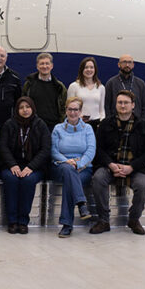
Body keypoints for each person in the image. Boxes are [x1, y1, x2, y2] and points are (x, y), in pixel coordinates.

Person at [90, 90, 145, 235]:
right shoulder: (106, 124)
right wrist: (110, 165)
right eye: (120, 102)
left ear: (133, 105)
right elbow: (98, 149)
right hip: (109, 166)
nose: (123, 105)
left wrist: (132, 167)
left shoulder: (144, 125)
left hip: (135, 168)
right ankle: (103, 220)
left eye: (126, 103)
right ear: (115, 104)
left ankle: (134, 219)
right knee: (98, 179)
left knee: (143, 186)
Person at [0, 96, 51, 234]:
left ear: (32, 108)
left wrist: (31, 167)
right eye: (21, 108)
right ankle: (12, 221)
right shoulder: (9, 124)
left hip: (34, 166)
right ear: (17, 110)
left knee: (28, 180)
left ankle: (23, 221)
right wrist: (12, 165)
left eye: (27, 107)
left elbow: (45, 149)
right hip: (11, 165)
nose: (25, 110)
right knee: (11, 179)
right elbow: (3, 147)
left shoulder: (40, 125)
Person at [50, 97, 96, 237]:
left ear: (80, 111)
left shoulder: (87, 128)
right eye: (70, 109)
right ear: (66, 111)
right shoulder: (58, 129)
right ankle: (81, 204)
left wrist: (79, 164)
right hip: (60, 167)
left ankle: (67, 225)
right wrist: (67, 161)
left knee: (69, 182)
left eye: (76, 109)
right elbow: (53, 151)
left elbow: (91, 150)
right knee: (69, 171)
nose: (72, 112)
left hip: (83, 169)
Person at [22, 52, 67, 131]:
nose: (45, 66)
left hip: (54, 127)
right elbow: (23, 104)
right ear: (37, 66)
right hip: (34, 126)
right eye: (42, 64)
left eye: (47, 63)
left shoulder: (59, 86)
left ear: (51, 66)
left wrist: (61, 122)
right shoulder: (29, 85)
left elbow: (64, 106)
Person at [104, 54, 145, 123]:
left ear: (133, 65)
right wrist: (110, 123)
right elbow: (107, 106)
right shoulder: (111, 83)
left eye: (129, 62)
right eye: (124, 62)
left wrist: (143, 123)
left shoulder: (140, 84)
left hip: (137, 125)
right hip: (115, 125)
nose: (127, 65)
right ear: (119, 64)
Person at [67, 56, 105, 130]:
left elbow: (102, 110)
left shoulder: (101, 87)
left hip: (96, 125)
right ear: (82, 70)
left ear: (95, 70)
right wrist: (76, 118)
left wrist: (102, 123)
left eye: (91, 67)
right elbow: (68, 108)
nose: (89, 70)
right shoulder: (74, 86)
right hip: (79, 123)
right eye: (86, 67)